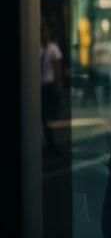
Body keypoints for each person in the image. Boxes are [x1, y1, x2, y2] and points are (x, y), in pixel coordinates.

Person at [40, 24, 62, 154]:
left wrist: (59, 83)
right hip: (41, 85)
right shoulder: (37, 47)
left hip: (48, 84)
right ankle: (50, 143)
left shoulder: (52, 48)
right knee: (43, 116)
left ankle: (51, 144)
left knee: (46, 116)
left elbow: (57, 67)